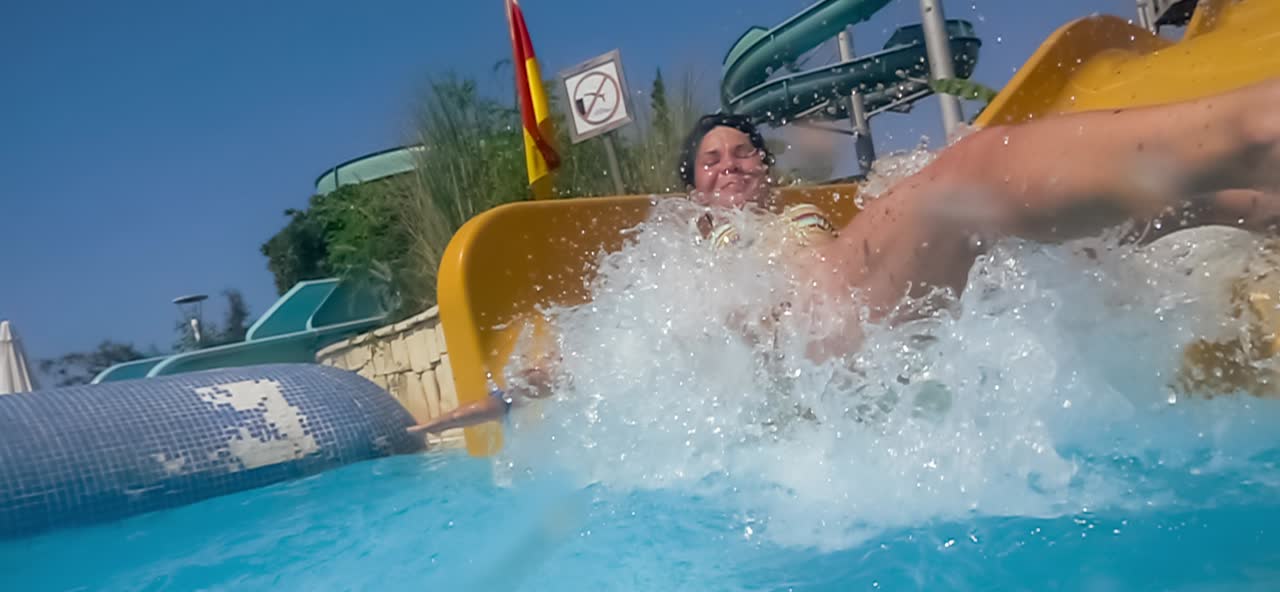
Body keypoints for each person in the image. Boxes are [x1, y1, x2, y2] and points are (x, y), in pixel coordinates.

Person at [412, 78, 1280, 436]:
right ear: (690, 189)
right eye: (711, 161)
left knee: (1024, 220)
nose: (732, 167)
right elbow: (608, 350)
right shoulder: (676, 260)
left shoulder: (801, 222)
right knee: (974, 180)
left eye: (745, 153)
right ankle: (1254, 137)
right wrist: (484, 408)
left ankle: (1251, 198)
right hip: (816, 345)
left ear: (767, 171)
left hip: (841, 315)